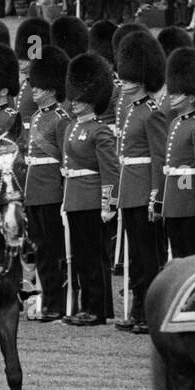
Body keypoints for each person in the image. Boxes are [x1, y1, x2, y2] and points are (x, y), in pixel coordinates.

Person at [114, 28, 168, 333]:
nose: (125, 81)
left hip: (144, 191)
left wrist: (156, 196)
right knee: (135, 257)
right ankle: (136, 310)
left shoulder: (151, 113)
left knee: (149, 257)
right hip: (129, 189)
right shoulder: (132, 110)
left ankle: (150, 313)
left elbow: (159, 159)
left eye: (131, 77)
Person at [62, 51, 118, 327]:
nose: (74, 103)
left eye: (80, 99)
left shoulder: (100, 131)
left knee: (94, 258)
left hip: (92, 200)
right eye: (74, 97)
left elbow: (110, 171)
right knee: (83, 258)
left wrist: (108, 204)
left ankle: (97, 309)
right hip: (74, 199)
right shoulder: (73, 127)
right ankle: (90, 306)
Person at [23, 45, 70, 321]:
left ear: (52, 89)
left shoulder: (60, 119)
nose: (34, 91)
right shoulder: (38, 116)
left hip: (52, 191)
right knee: (40, 249)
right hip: (34, 191)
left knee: (53, 251)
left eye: (39, 87)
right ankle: (44, 300)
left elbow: (65, 161)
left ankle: (55, 303)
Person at [162, 47, 195, 259]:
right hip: (173, 201)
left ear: (190, 97)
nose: (172, 96)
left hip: (188, 202)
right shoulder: (174, 123)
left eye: (177, 93)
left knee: (192, 255)